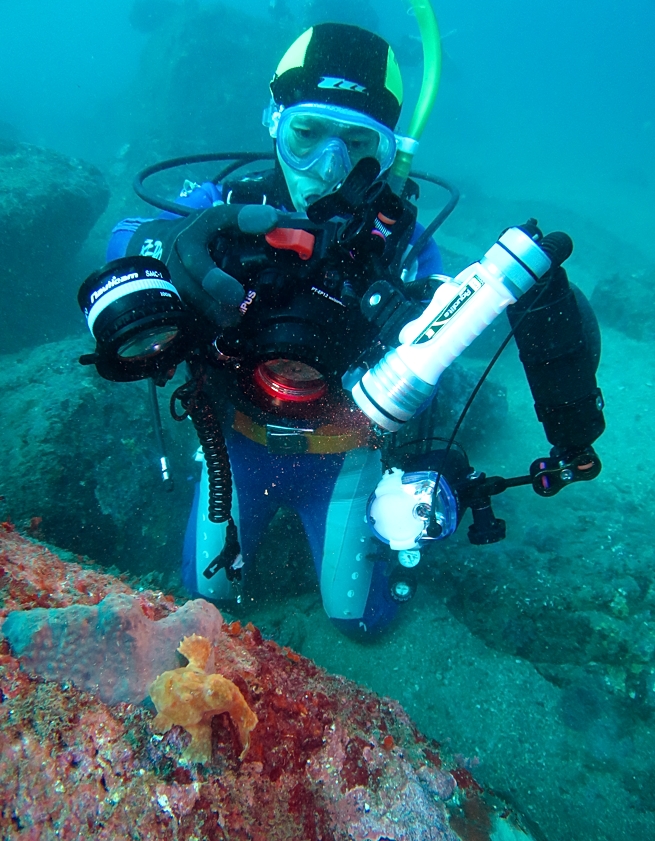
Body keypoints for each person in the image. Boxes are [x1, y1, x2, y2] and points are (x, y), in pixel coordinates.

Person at [101, 23, 604, 637]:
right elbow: (123, 242)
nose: (328, 168)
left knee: (362, 622)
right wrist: (179, 243)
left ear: (389, 150)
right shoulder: (220, 205)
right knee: (207, 598)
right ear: (273, 121)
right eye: (307, 135)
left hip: (341, 459)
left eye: (359, 144)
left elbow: (445, 338)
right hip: (230, 442)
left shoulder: (404, 245)